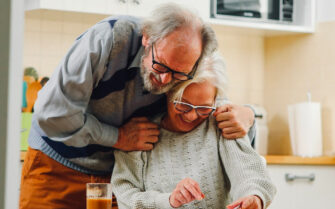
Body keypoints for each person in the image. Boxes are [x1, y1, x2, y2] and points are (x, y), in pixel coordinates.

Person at [20, 3, 256, 209]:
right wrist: (117, 137)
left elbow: (210, 101)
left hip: (116, 178)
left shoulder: (197, 58)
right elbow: (52, 114)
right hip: (57, 167)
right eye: (161, 65)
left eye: (178, 74)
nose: (165, 80)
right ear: (146, 37)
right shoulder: (109, 39)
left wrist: (248, 114)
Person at [111, 53, 276, 209]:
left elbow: (250, 173)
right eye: (183, 105)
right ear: (168, 91)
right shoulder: (138, 134)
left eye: (203, 108)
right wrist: (168, 201)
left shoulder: (221, 121)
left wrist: (254, 197)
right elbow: (126, 195)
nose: (191, 116)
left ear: (215, 99)